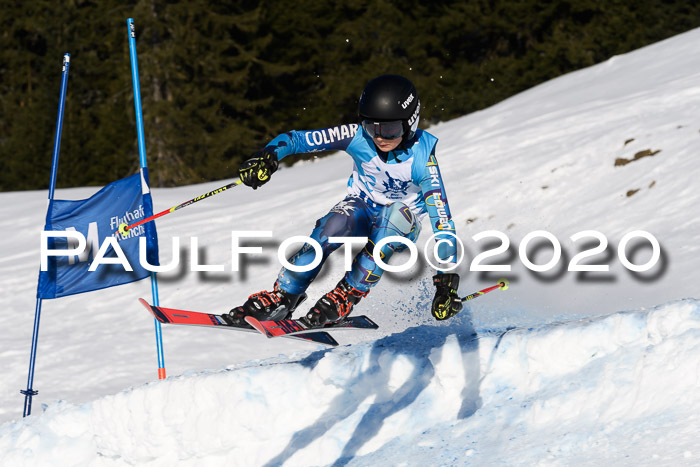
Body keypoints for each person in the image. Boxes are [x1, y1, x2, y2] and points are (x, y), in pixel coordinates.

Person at [228, 74, 462, 327]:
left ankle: (347, 294)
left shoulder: (423, 162)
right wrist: (268, 156)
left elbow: (443, 224)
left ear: (411, 123)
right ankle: (285, 296)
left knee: (391, 220)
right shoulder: (356, 135)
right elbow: (297, 140)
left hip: (401, 222)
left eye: (390, 129)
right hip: (363, 206)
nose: (380, 137)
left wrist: (446, 281)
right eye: (372, 127)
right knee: (332, 226)